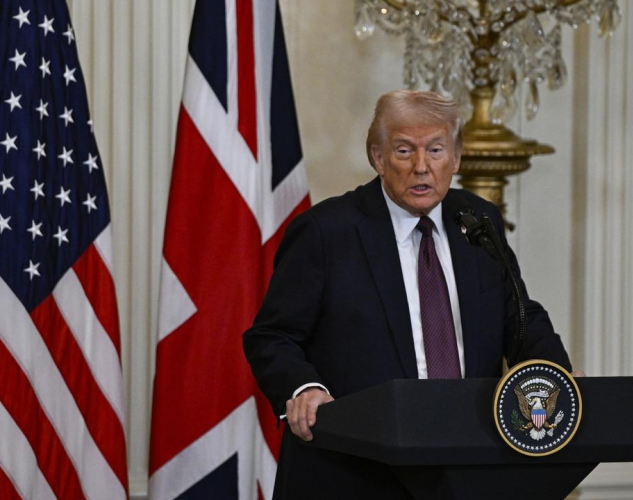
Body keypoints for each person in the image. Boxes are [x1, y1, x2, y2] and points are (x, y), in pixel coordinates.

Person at [243, 90, 574, 499]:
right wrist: (304, 388)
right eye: (404, 150)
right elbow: (272, 336)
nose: (421, 167)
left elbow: (519, 315)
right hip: (354, 471)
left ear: (456, 157)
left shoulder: (478, 219)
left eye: (435, 150)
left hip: (465, 466)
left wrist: (556, 376)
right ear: (378, 158)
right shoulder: (327, 232)